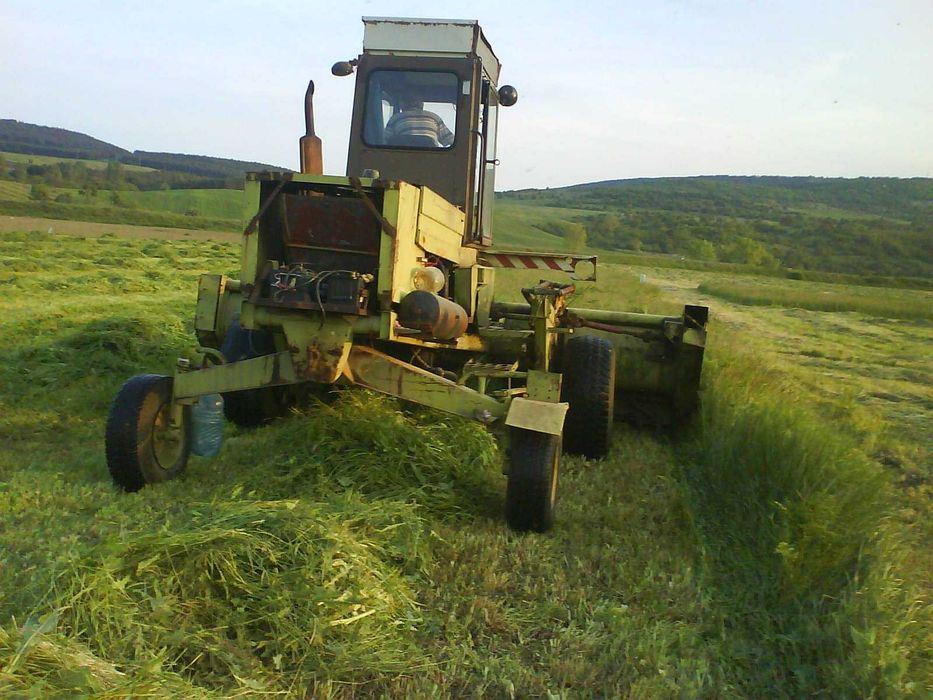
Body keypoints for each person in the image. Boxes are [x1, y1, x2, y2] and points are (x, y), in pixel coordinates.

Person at [384, 95, 454, 148]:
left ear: (403, 104)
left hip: (402, 156)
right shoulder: (433, 117)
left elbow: (385, 140)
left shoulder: (395, 118)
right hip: (431, 157)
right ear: (421, 104)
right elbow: (449, 139)